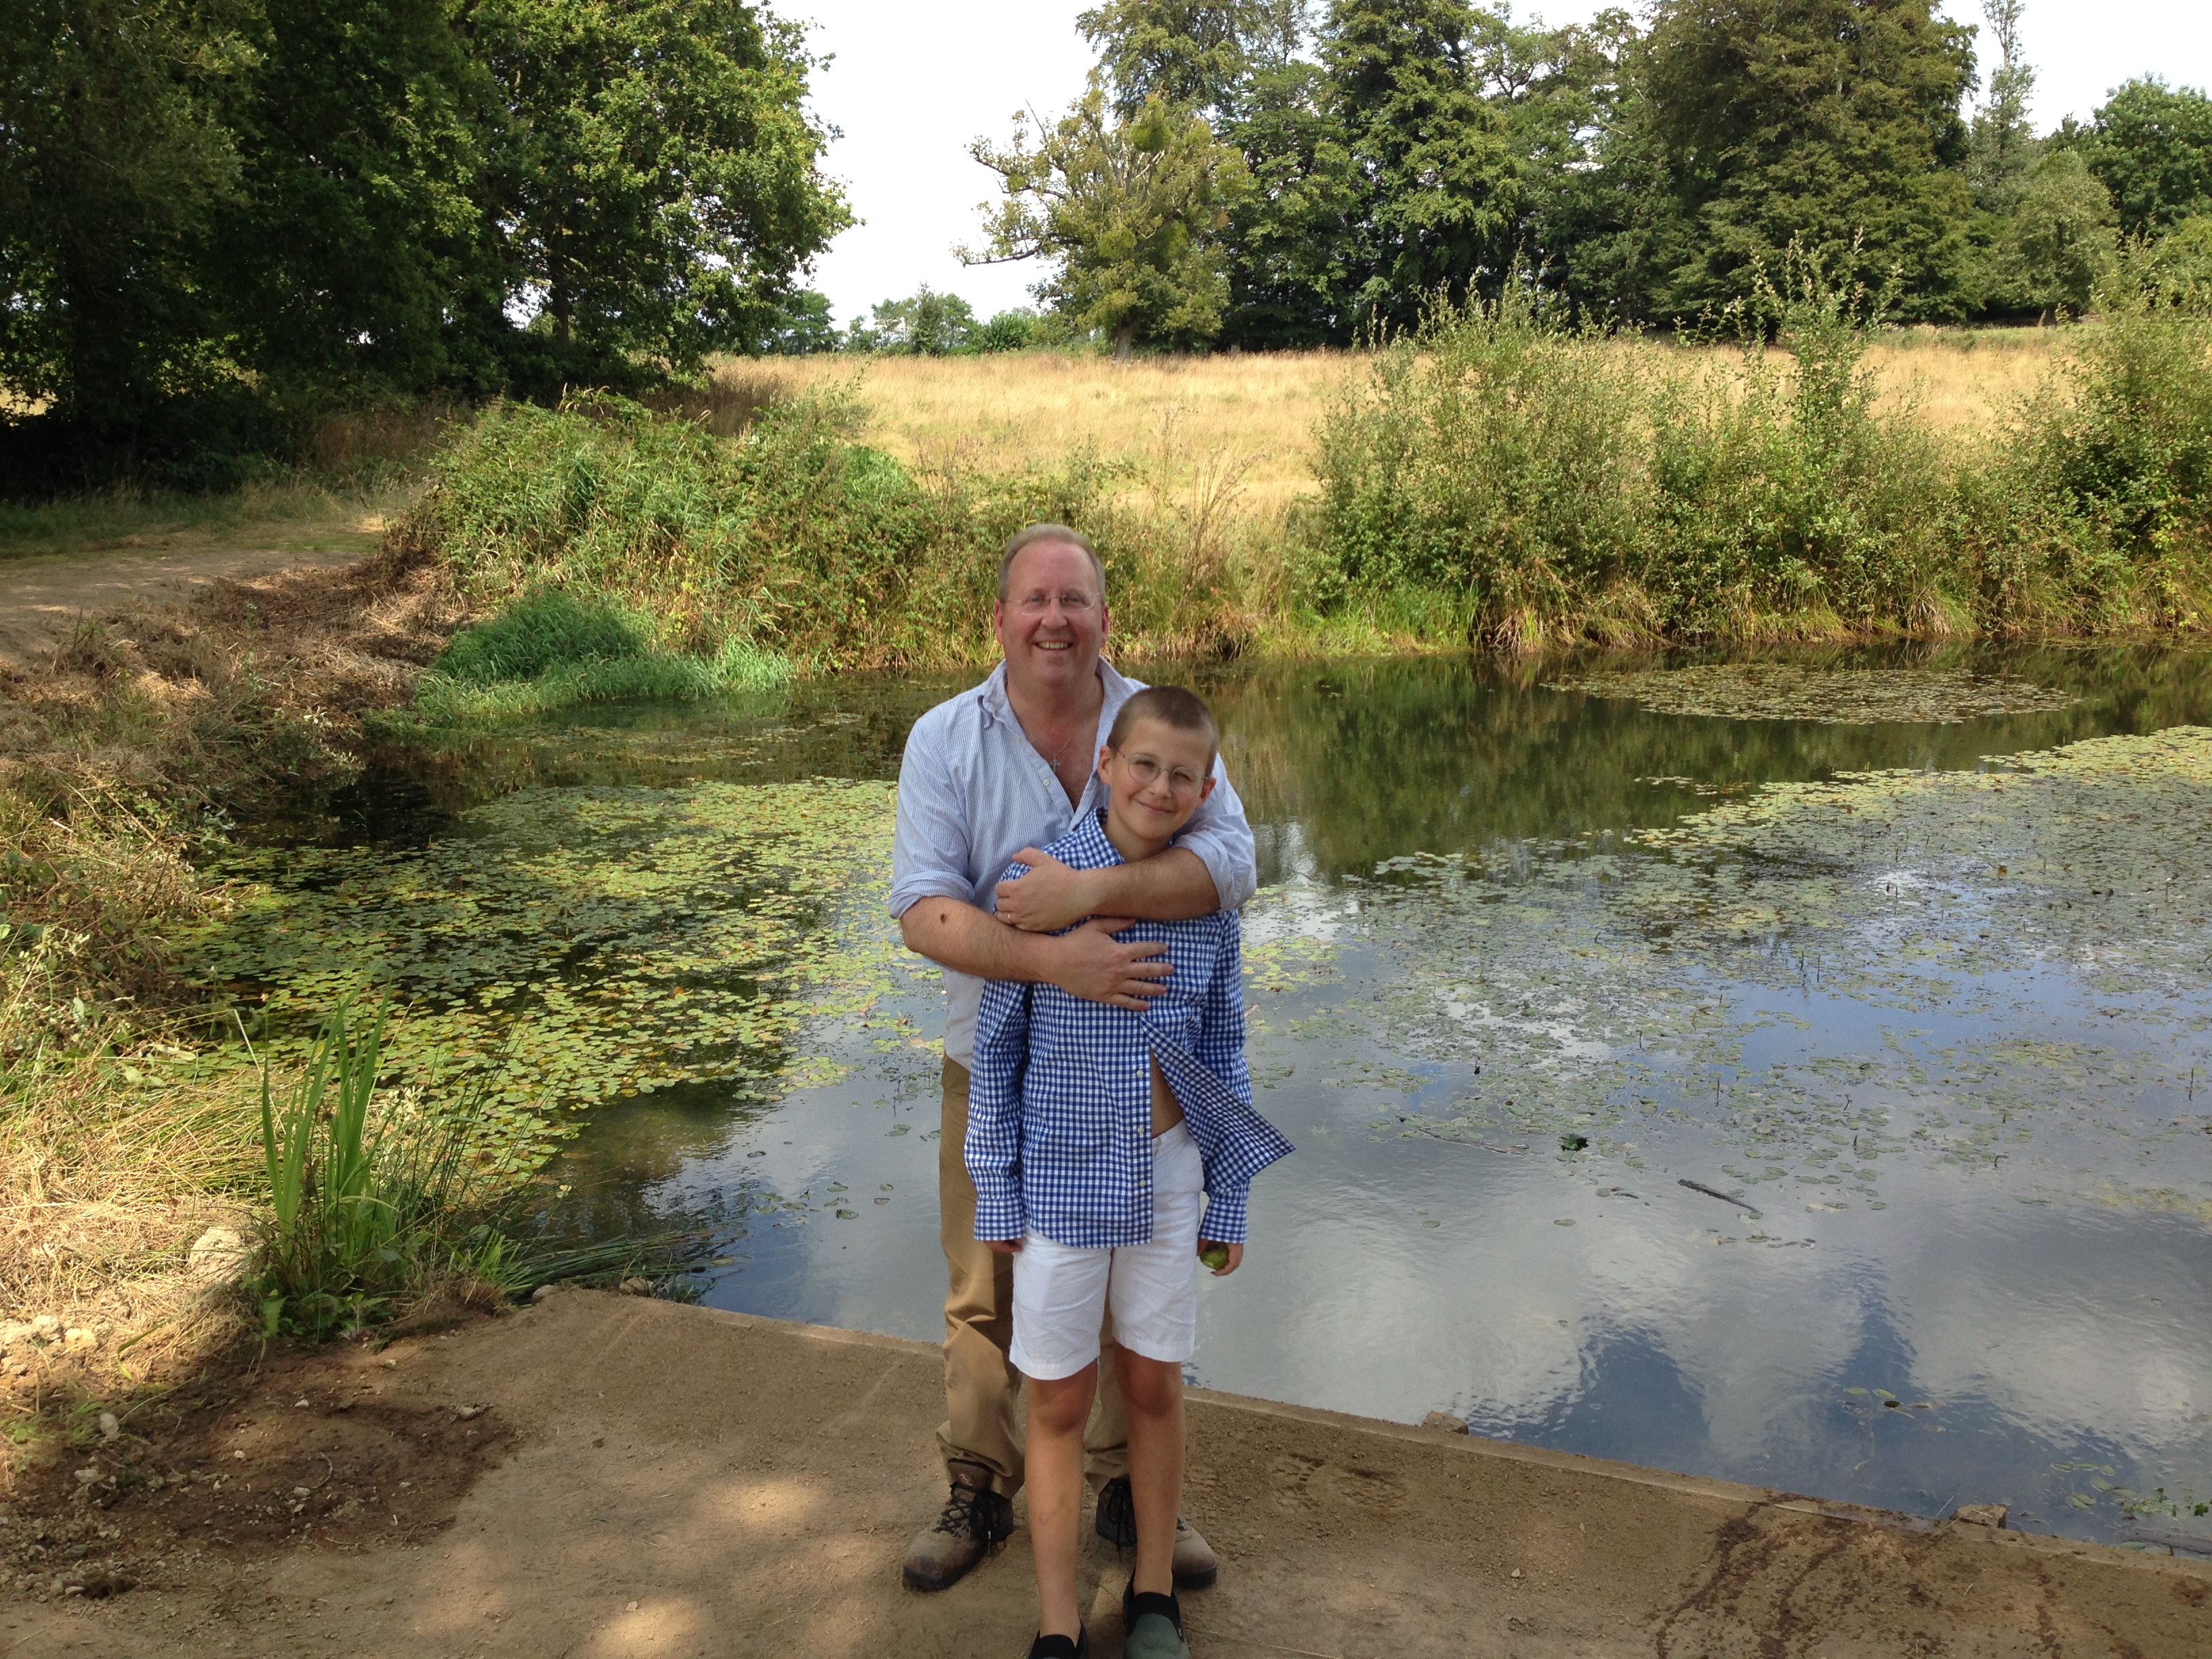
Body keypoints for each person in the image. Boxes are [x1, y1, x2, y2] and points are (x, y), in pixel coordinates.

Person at [888, 525, 1258, 1595]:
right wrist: (1057, 960)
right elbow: (921, 909)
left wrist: (1085, 895)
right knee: (985, 1284)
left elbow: (1232, 865)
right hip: (999, 1068)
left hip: (1147, 1074)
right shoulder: (945, 739)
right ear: (1000, 618)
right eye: (1036, 600)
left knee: (1131, 1296)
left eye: (1076, 600)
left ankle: (1127, 1494)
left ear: (1105, 616)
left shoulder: (1159, 726)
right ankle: (977, 1487)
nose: (1056, 620)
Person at [966, 685, 1292, 1659]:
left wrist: (1230, 1197)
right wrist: (997, 1185)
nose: (1160, 788)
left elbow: (1224, 1052)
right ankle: (1058, 1620)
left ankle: (1153, 1594)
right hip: (1061, 1184)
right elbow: (997, 1053)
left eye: (1183, 775)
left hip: (1170, 1179)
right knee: (1059, 1398)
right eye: (1143, 765)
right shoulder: (1037, 884)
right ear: (1107, 764)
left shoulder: (1205, 902)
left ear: (1208, 789)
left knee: (1154, 1385)